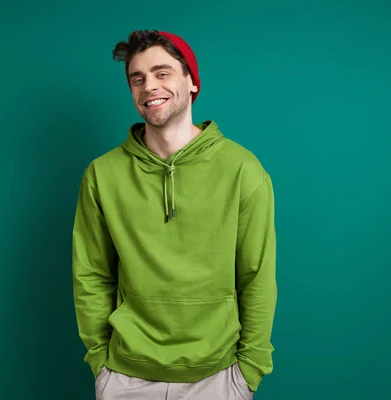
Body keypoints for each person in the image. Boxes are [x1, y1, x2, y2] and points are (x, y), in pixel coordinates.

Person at [72, 29, 277, 400]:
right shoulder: (102, 174)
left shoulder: (242, 169)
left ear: (191, 82)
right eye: (138, 78)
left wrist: (249, 371)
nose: (149, 86)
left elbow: (257, 276)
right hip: (124, 377)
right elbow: (91, 274)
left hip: (219, 376)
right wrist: (101, 363)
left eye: (162, 73)